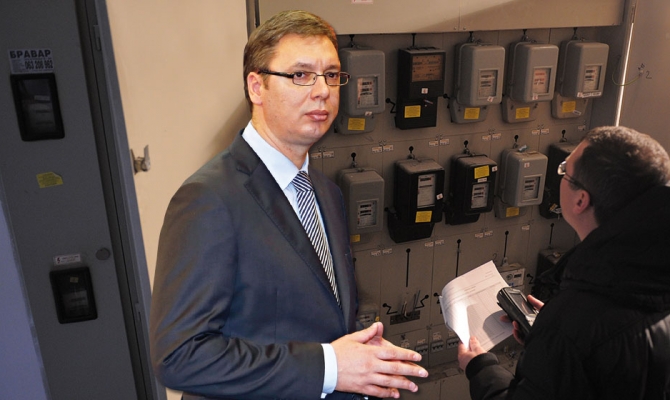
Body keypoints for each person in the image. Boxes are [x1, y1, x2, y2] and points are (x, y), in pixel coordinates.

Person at [149, 10, 428, 400]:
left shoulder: (325, 192)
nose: (322, 90)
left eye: (332, 75)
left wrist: (357, 360)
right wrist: (329, 367)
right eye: (300, 75)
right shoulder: (208, 199)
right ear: (257, 87)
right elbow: (180, 357)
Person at [458, 126, 670, 399]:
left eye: (564, 171)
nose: (561, 177)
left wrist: (481, 367)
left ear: (581, 200)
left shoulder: (572, 326)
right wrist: (548, 339)